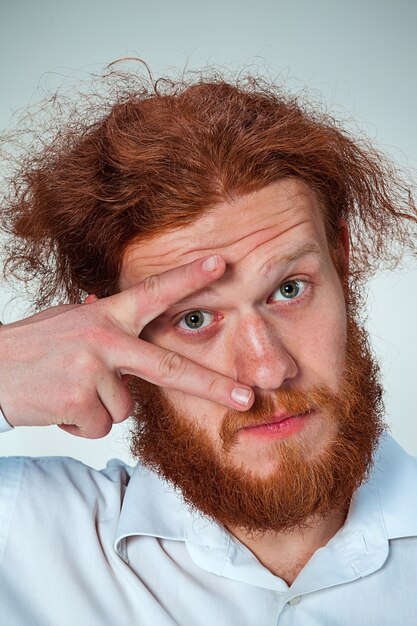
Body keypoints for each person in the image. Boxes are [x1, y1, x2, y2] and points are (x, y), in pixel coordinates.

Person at [0, 70, 416, 626]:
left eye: (289, 290)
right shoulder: (24, 534)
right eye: (195, 318)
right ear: (113, 337)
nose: (269, 370)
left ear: (340, 260)